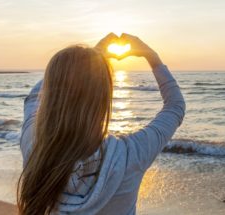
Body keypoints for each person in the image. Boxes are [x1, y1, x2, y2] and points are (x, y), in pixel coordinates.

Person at [17, 33, 186, 215]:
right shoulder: (131, 154)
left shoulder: (34, 145)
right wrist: (152, 57)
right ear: (104, 98)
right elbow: (175, 106)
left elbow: (34, 98)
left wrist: (92, 57)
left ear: (50, 95)